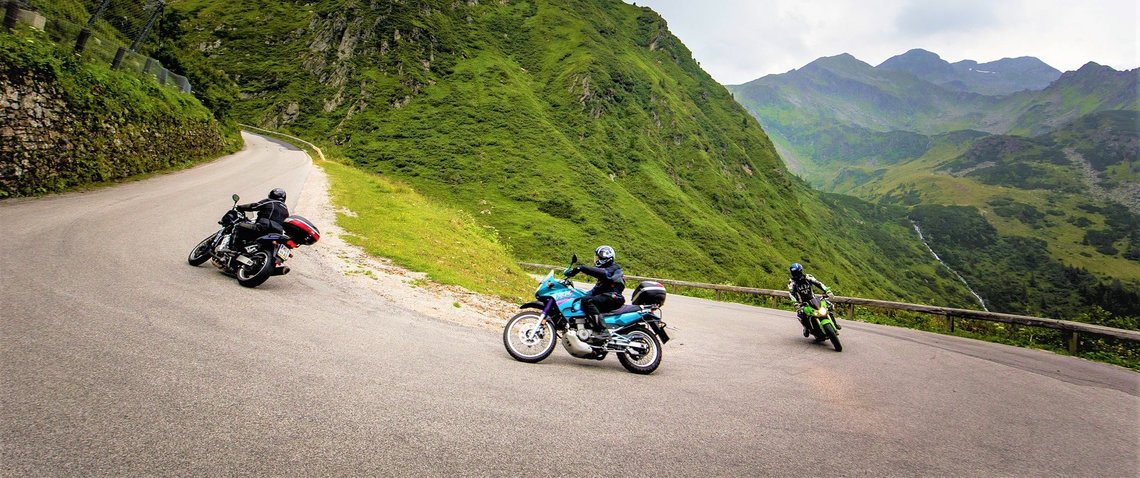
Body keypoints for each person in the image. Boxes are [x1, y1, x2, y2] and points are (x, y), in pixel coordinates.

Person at [566, 245, 625, 341]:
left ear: (605, 257)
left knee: (587, 301)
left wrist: (582, 268)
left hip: (614, 298)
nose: (596, 260)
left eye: (598, 257)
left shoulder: (614, 268)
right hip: (606, 297)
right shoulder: (602, 277)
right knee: (584, 299)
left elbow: (605, 274)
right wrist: (576, 295)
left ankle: (603, 331)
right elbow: (594, 291)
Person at [787, 262, 838, 337]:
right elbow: (791, 293)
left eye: (798, 272)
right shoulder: (792, 282)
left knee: (828, 307)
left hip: (813, 299)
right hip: (802, 303)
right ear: (792, 273)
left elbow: (818, 283)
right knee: (801, 314)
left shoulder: (808, 277)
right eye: (795, 273)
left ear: (801, 271)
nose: (797, 275)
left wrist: (827, 290)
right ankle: (806, 328)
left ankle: (835, 324)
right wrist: (795, 303)